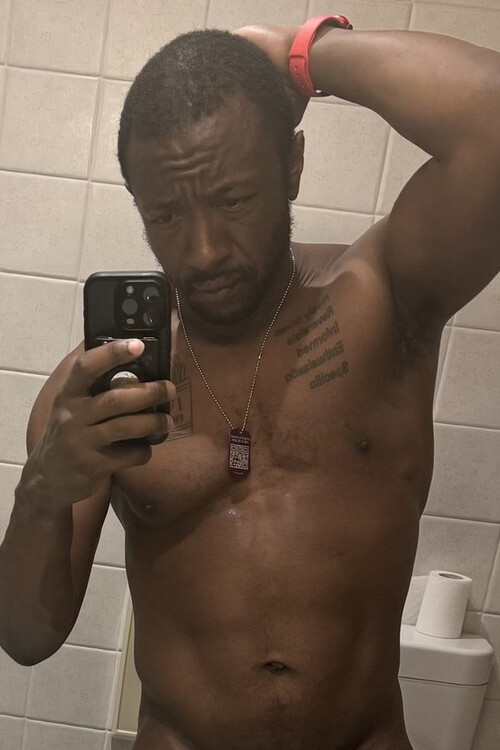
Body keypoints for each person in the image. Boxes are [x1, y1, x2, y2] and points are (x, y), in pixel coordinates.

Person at [1, 17, 499, 750]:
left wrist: (304, 54)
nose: (203, 251)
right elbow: (26, 638)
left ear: (291, 166)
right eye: (166, 215)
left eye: (232, 200)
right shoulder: (97, 393)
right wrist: (44, 487)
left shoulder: (382, 301)